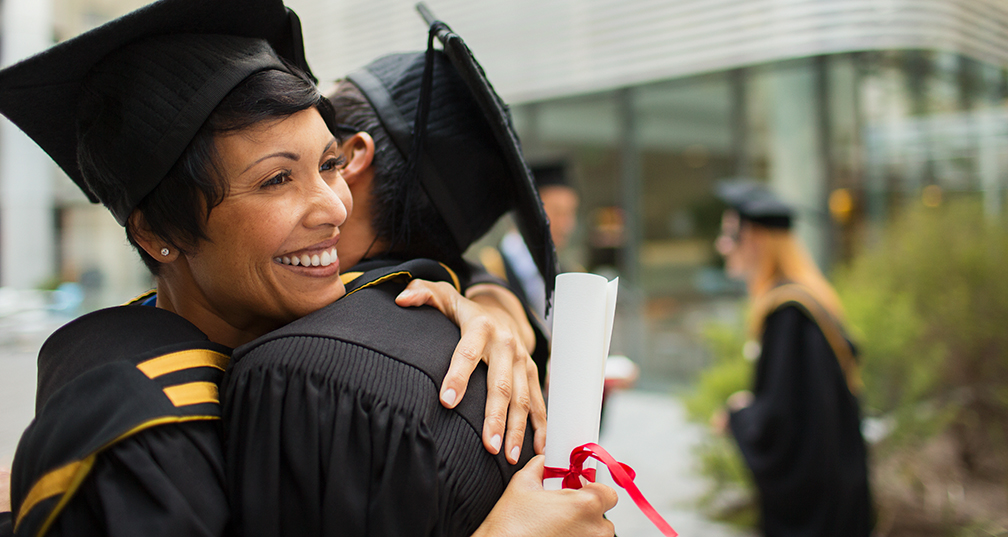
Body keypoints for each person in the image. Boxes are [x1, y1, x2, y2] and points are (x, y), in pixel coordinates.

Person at [0, 0, 610, 535]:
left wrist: (492, 301)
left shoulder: (348, 306)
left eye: (330, 164)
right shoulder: (134, 425)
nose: (333, 207)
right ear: (159, 233)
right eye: (275, 179)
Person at [223, 18, 616, 537]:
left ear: (351, 158)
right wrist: (491, 294)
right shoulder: (489, 353)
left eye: (323, 154)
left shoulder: (301, 373)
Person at [712, 180, 872, 537]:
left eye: (728, 234)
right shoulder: (809, 299)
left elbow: (783, 421)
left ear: (753, 237)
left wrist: (740, 415)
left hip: (817, 504)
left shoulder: (789, 315)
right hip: (839, 481)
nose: (721, 246)